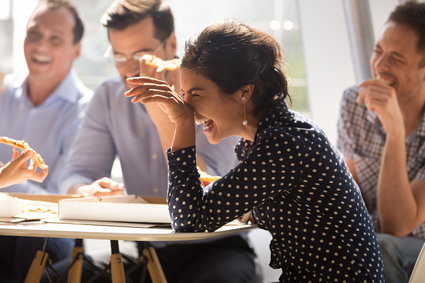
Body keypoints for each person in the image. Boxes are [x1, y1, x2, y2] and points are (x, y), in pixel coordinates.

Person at [125, 19, 386, 282]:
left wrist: (180, 124)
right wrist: (220, 191)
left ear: (244, 92)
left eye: (196, 95)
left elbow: (188, 220)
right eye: (183, 94)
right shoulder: (271, 138)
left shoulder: (283, 144)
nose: (188, 108)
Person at [52, 1, 260, 283]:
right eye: (119, 56)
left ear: (170, 44)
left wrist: (165, 118)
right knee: (55, 277)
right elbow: (75, 172)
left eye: (141, 55)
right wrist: (86, 189)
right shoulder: (109, 96)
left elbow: (208, 189)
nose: (129, 70)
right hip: (144, 247)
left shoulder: (211, 91)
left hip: (215, 247)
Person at [0, 0, 92, 281]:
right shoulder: (3, 92)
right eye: (34, 35)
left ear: (77, 49)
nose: (41, 46)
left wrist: (11, 179)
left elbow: (65, 194)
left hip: (49, 228)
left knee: (34, 242)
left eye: (55, 39)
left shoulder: (86, 109)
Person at [337, 2, 425, 282]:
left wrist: (394, 132)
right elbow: (351, 194)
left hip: (415, 249)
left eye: (396, 59)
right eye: (378, 52)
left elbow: (397, 226)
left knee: (383, 247)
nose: (380, 66)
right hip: (369, 239)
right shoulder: (355, 101)